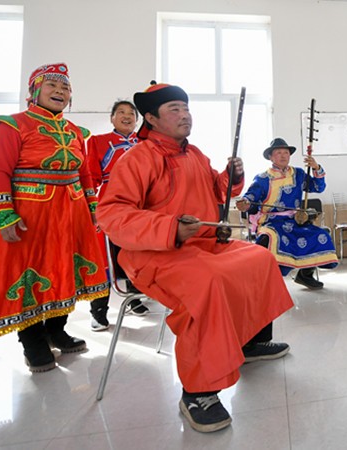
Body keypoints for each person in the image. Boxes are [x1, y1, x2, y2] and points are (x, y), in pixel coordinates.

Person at [96, 82, 294, 433]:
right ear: (151, 118)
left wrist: (231, 177)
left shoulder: (196, 154)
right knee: (207, 282)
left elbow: (217, 191)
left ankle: (250, 342)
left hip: (203, 244)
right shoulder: (137, 158)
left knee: (259, 259)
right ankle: (198, 392)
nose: (185, 114)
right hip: (153, 253)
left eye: (186, 108)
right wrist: (170, 228)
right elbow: (112, 216)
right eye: (174, 109)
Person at [0, 63, 109, 373]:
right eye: (52, 86)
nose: (60, 91)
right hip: (30, 214)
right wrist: (5, 214)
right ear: (34, 91)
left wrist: (93, 208)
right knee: (29, 274)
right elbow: (0, 171)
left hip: (71, 212)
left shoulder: (76, 132)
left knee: (65, 270)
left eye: (65, 87)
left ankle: (57, 330)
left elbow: (84, 174)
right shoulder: (13, 125)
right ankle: (31, 340)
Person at [236, 137, 338, 289]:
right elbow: (251, 197)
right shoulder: (263, 178)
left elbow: (318, 187)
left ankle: (305, 275)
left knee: (320, 234)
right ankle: (264, 280)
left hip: (295, 221)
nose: (283, 156)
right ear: (271, 157)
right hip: (271, 222)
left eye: (286, 152)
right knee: (271, 237)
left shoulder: (298, 174)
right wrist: (245, 203)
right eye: (278, 153)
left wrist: (316, 168)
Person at [85, 100, 149, 331]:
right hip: (110, 203)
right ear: (112, 118)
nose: (127, 116)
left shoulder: (146, 143)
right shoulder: (98, 141)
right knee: (104, 257)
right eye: (120, 112)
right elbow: (90, 177)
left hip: (142, 204)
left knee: (137, 253)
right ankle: (98, 311)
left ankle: (134, 298)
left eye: (131, 113)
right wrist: (90, 206)